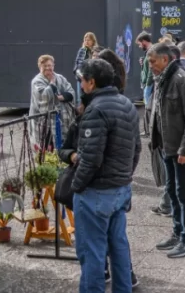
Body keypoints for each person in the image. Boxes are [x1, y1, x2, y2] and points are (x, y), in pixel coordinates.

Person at [60, 51, 139, 289]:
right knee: (119, 249)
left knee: (92, 254)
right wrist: (124, 177)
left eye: (82, 79)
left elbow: (91, 159)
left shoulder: (96, 109)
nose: (80, 84)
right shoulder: (126, 104)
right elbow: (136, 150)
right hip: (119, 188)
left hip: (97, 192)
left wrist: (76, 187)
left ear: (91, 82)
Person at [148, 43, 185, 258]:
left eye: (153, 61)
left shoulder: (182, 80)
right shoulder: (163, 79)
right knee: (172, 191)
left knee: (184, 194)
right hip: (167, 148)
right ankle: (178, 232)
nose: (150, 65)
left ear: (165, 60)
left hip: (181, 150)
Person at [30, 55, 75, 148]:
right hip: (44, 121)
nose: (47, 68)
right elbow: (44, 96)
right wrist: (52, 84)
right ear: (40, 66)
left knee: (64, 144)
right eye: (44, 65)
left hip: (62, 119)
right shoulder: (36, 81)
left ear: (53, 65)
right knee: (46, 148)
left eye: (49, 65)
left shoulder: (60, 78)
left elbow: (71, 91)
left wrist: (63, 97)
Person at [136, 32, 154, 137]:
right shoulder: (148, 52)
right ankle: (147, 130)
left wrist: (147, 83)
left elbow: (151, 70)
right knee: (147, 108)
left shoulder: (151, 51)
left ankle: (148, 130)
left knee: (148, 108)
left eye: (139, 44)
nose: (139, 46)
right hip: (147, 82)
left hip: (149, 83)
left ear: (144, 41)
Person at [73, 32, 98, 104]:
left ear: (93, 41)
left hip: (92, 79)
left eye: (89, 40)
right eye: (85, 40)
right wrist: (81, 77)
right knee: (81, 100)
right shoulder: (82, 50)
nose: (87, 41)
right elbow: (78, 65)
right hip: (82, 78)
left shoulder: (96, 51)